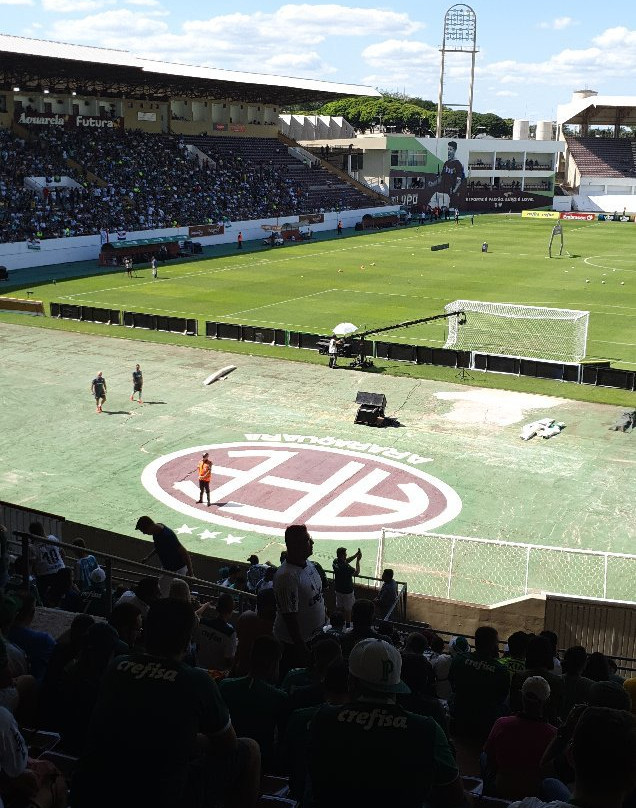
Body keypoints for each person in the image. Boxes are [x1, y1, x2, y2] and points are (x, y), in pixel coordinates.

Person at [70, 598, 261, 808]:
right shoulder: (197, 680)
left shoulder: (116, 666)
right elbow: (228, 744)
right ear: (187, 640)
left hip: (91, 790)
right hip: (160, 797)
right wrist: (193, 739)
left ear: (146, 632)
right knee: (250, 748)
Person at [308, 638, 465, 808]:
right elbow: (455, 796)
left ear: (351, 682)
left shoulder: (323, 718)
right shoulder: (428, 730)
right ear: (397, 683)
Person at [508, 706, 636, 808]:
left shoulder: (524, 805)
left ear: (569, 756)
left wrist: (565, 731)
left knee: (550, 783)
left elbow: (545, 767)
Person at [482, 675, 557, 800]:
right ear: (546, 701)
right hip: (534, 795)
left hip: (502, 787)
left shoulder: (502, 723)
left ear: (522, 696)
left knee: (483, 756)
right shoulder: (553, 734)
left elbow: (490, 757)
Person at [273, 524, 325, 678]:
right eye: (308, 540)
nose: (312, 542)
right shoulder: (286, 577)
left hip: (313, 638)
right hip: (294, 646)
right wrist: (303, 650)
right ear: (296, 545)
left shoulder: (309, 565)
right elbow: (289, 617)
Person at [135, 516, 193, 596]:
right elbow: (159, 546)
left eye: (143, 531)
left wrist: (191, 574)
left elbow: (184, 553)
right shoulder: (156, 531)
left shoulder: (167, 535)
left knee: (166, 592)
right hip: (168, 568)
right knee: (162, 589)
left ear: (149, 526)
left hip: (176, 570)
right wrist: (148, 557)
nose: (144, 533)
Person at [195, 591, 237, 673]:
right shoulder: (230, 633)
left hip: (199, 668)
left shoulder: (203, 623)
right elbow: (229, 659)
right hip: (217, 674)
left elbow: (197, 645)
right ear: (231, 611)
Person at [428, 140, 465, 209]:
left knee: (443, 208)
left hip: (447, 193)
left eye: (450, 149)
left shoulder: (458, 164)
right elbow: (440, 178)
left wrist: (454, 191)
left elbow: (459, 181)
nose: (448, 151)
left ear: (455, 151)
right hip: (439, 191)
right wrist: (432, 184)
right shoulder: (446, 163)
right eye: (448, 149)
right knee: (430, 207)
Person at [332, 547, 361, 627]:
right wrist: (358, 560)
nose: (346, 555)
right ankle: (348, 626)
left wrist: (355, 555)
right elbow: (357, 572)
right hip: (347, 592)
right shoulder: (346, 567)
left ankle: (338, 624)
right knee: (348, 610)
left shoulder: (335, 562)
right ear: (342, 555)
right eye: (345, 554)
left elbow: (346, 561)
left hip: (338, 590)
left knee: (339, 608)